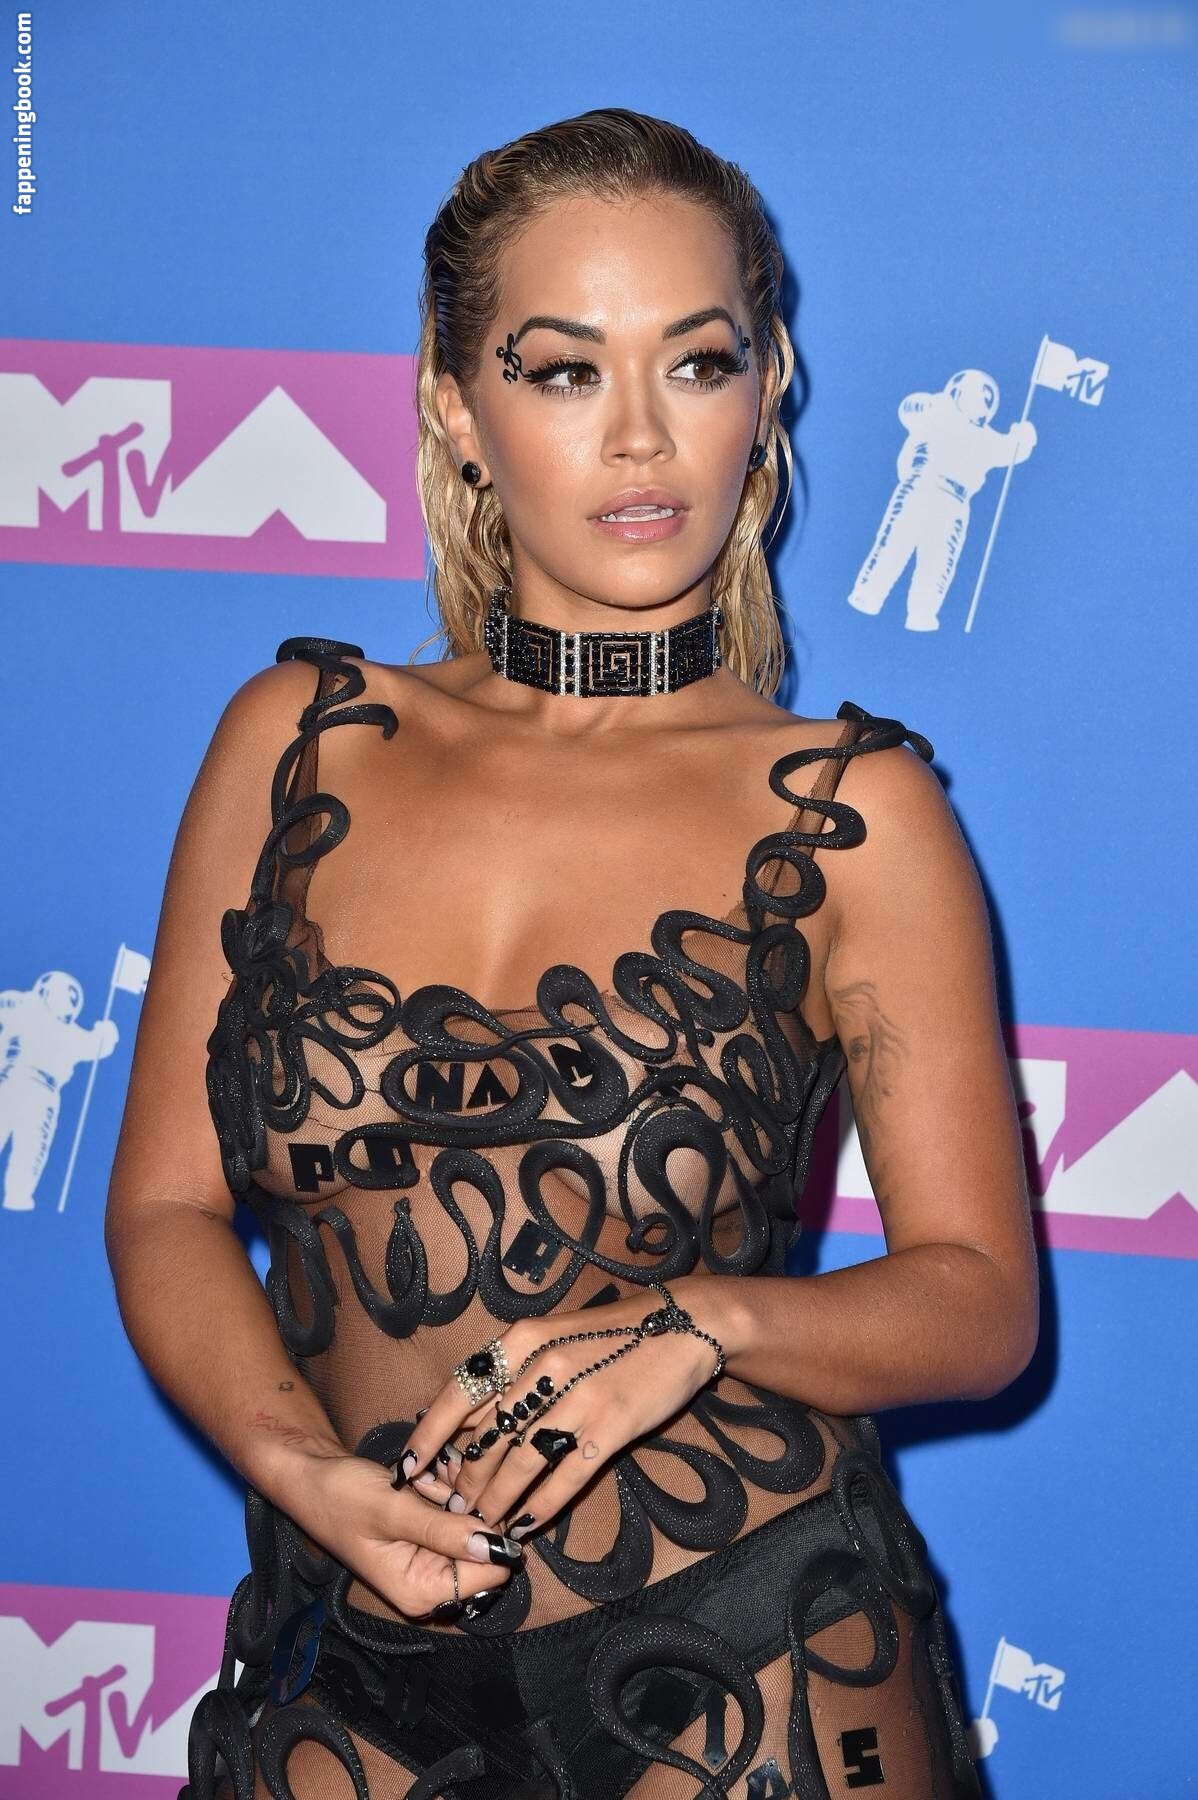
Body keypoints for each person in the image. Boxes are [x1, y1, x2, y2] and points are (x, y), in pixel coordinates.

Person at [105, 107, 1038, 1800]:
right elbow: (165, 1206)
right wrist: (295, 1467)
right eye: (561, 371)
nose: (638, 437)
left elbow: (976, 1300)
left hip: (750, 1628)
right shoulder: (292, 746)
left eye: (696, 362)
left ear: (765, 392)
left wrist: (701, 1323)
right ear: (456, 410)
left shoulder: (850, 811)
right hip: (343, 1632)